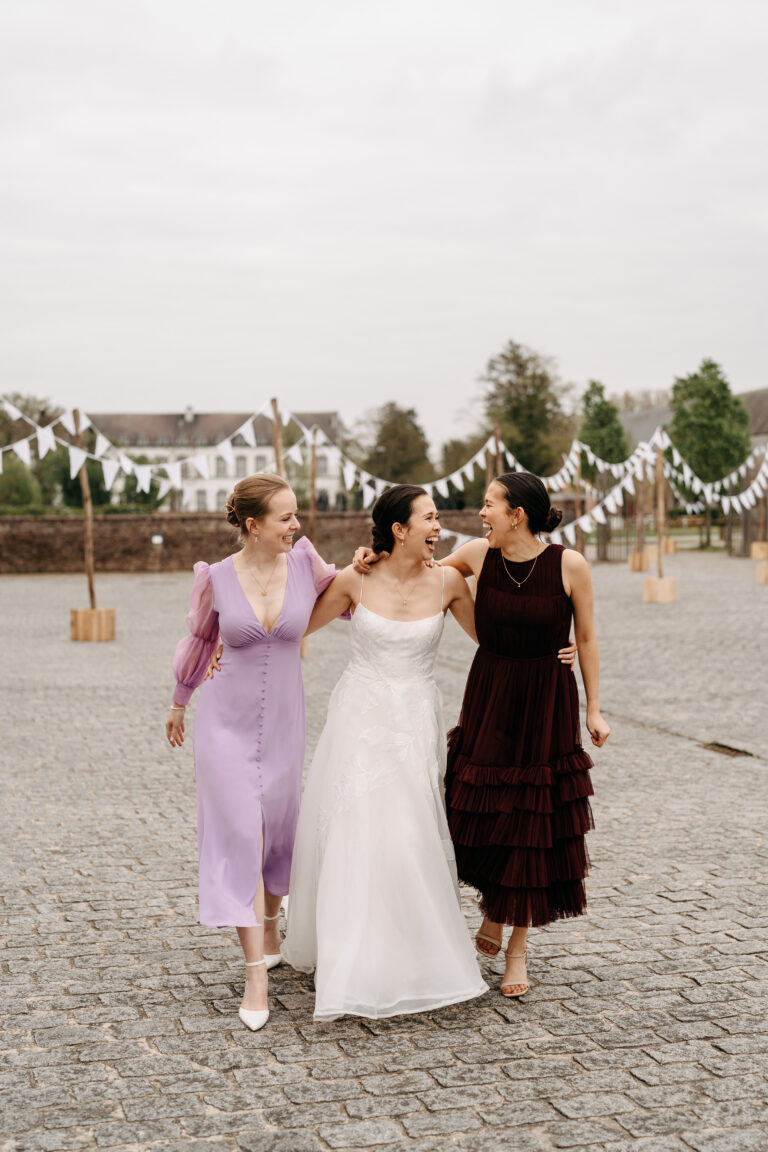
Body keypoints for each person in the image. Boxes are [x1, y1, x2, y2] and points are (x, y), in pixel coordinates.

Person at [354, 472, 608, 999]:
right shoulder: (475, 554)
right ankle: (495, 904)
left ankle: (516, 947)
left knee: (535, 817)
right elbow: (418, 575)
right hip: (491, 693)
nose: (480, 514)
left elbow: (584, 634)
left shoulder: (570, 564)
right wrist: (370, 559)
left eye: (489, 505)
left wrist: (594, 708)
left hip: (547, 697)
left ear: (517, 513)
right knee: (481, 811)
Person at [281, 486, 490, 1019]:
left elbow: (496, 642)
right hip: (358, 721)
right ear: (399, 530)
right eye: (430, 517)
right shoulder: (355, 578)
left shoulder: (450, 583)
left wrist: (562, 647)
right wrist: (220, 645)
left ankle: (416, 949)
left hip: (413, 722)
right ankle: (352, 954)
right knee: (356, 830)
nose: (439, 526)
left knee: (407, 831)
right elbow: (291, 628)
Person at [165, 474, 339, 1032]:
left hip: (284, 722)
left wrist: (378, 567)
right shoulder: (214, 577)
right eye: (285, 518)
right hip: (225, 721)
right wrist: (179, 701)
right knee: (241, 830)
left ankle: (270, 921)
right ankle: (255, 974)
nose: (296, 526)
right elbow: (198, 639)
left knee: (277, 828)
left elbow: (356, 598)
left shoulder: (306, 564)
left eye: (295, 517)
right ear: (253, 525)